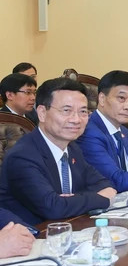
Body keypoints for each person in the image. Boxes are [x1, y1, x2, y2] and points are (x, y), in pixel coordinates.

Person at [0, 78, 116, 225]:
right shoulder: (22, 156)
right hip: (33, 233)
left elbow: (104, 184)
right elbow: (53, 207)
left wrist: (71, 200)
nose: (76, 119)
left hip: (70, 227)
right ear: (42, 113)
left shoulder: (72, 148)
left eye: (83, 112)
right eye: (66, 110)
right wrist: (101, 199)